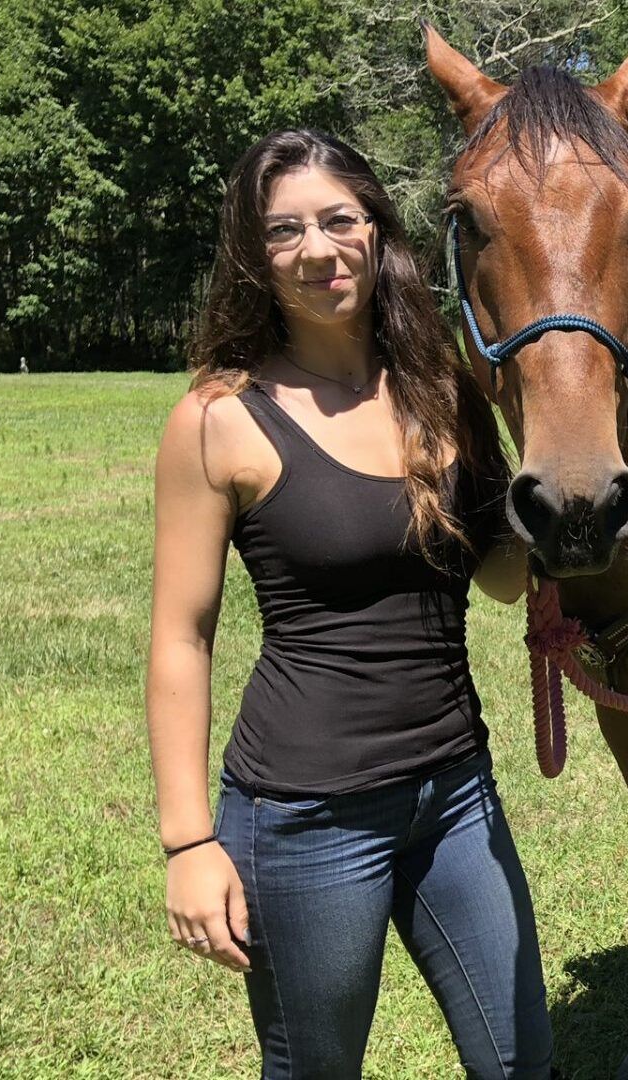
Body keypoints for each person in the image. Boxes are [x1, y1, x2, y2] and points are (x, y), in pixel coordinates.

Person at [144, 128, 552, 1078]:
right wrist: (188, 841)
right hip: (302, 813)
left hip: (456, 790)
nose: (318, 250)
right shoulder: (217, 421)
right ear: (254, 255)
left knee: (523, 1061)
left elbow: (496, 577)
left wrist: (557, 517)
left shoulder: (446, 385)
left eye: (338, 219)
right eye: (284, 232)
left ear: (376, 229)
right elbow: (180, 636)